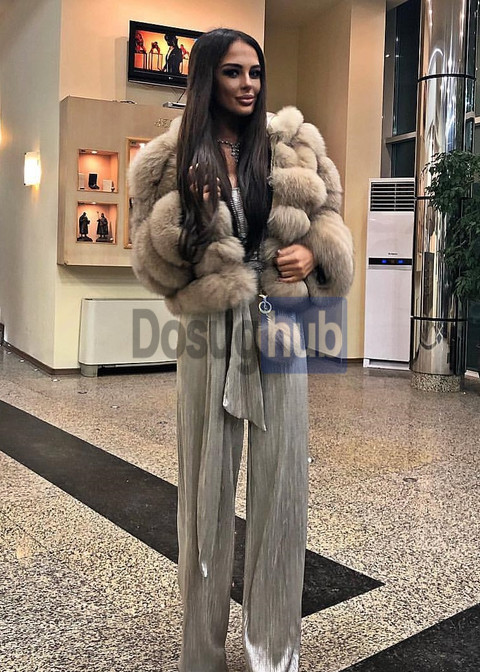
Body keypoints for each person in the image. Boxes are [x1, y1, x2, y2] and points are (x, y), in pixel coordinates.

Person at [129, 27, 353, 672]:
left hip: (279, 332)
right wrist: (192, 226)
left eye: (255, 71)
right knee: (205, 490)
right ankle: (201, 652)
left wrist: (312, 253)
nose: (248, 83)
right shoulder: (167, 161)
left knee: (282, 490)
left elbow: (333, 229)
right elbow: (152, 266)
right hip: (208, 333)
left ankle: (273, 652)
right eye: (232, 72)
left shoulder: (295, 147)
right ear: (207, 77)